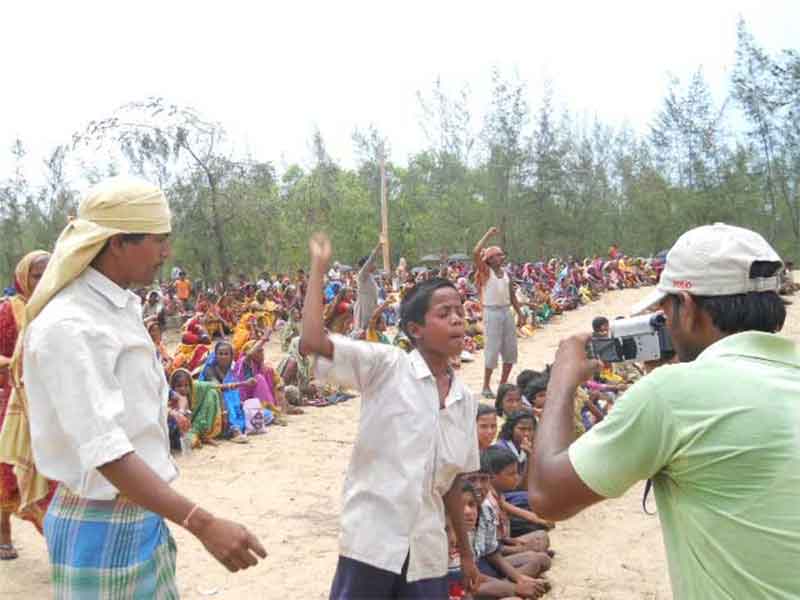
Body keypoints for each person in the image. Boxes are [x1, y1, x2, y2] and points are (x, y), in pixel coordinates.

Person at [8, 177, 265, 597]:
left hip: (142, 515)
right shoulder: (70, 325)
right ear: (116, 243)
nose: (167, 253)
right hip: (100, 528)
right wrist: (202, 522)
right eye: (158, 240)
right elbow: (105, 451)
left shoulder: (118, 307)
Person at [530, 223, 800, 599]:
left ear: (686, 308)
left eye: (665, 310)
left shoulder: (672, 394)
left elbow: (547, 495)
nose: (666, 323)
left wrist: (562, 379)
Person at [300, 232, 481, 599]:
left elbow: (453, 484)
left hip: (427, 548)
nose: (457, 320)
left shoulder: (464, 400)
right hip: (372, 541)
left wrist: (466, 553)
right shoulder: (387, 366)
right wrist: (318, 268)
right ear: (415, 330)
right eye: (444, 313)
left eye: (460, 311)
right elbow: (313, 343)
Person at [0, 250, 53, 560]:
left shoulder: (58, 307)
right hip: (11, 400)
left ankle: (57, 543)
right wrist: (16, 362)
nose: (43, 280)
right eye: (36, 275)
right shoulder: (8, 311)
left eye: (48, 272)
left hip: (49, 401)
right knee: (8, 473)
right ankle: (3, 533)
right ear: (22, 277)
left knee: (52, 472)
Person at [473, 227, 524, 399]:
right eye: (498, 255)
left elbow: (512, 296)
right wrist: (488, 234)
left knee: (511, 350)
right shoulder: (486, 272)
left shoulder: (506, 274)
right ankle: (486, 385)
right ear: (490, 259)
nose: (502, 257)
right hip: (492, 312)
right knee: (492, 350)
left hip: (506, 311)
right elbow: (476, 252)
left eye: (502, 255)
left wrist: (520, 313)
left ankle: (503, 384)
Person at [199, 341, 250, 443]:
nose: (223, 357)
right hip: (212, 401)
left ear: (231, 356)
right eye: (220, 354)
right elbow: (217, 387)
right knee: (226, 394)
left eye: (226, 354)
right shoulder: (209, 369)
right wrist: (242, 383)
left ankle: (235, 425)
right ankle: (233, 429)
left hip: (230, 401)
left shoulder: (233, 369)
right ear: (216, 355)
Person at [353, 239, 382, 332]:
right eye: (374, 263)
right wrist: (378, 247)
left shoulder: (370, 277)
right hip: (364, 310)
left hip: (371, 308)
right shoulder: (362, 275)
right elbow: (371, 260)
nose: (375, 265)